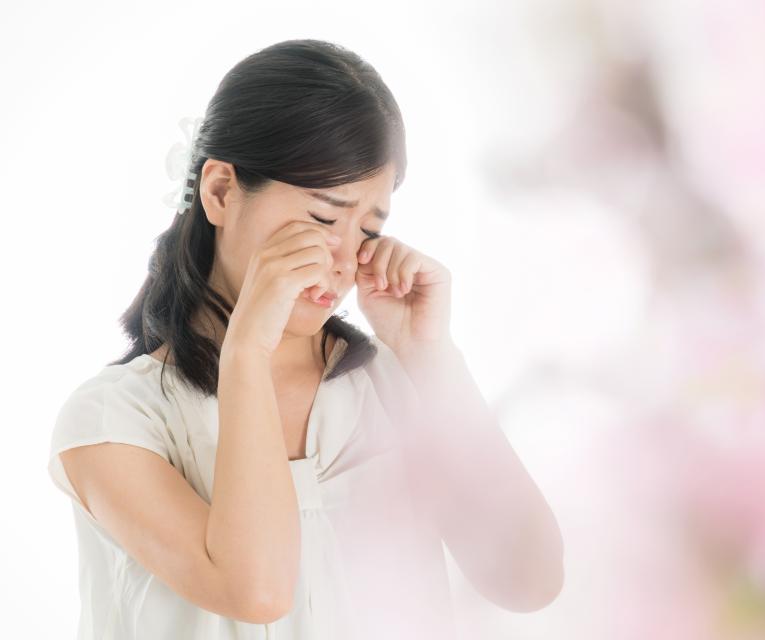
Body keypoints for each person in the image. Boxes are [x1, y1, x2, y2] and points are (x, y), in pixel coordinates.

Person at [47, 39, 565, 639]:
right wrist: (246, 351)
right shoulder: (112, 421)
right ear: (219, 192)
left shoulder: (392, 388)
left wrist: (431, 359)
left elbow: (529, 581)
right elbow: (256, 590)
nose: (345, 258)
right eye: (322, 218)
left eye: (369, 227)